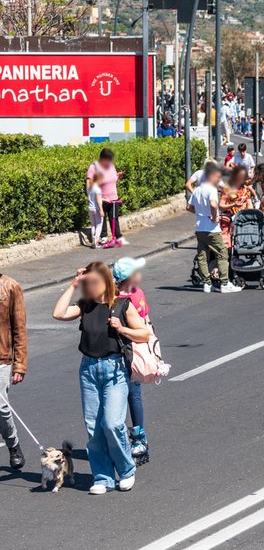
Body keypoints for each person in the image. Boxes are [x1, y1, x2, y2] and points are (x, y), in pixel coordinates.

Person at [52, 261, 150, 494]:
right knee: (94, 428)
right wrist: (73, 284)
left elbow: (144, 334)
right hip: (88, 370)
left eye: (92, 282)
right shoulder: (85, 305)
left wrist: (122, 329)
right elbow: (58, 313)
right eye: (87, 282)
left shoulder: (122, 305)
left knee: (113, 423)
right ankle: (103, 477)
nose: (89, 286)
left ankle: (126, 470)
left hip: (114, 369)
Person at [114, 257, 151, 464]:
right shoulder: (136, 296)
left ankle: (131, 436)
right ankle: (139, 438)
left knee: (128, 393)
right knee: (132, 395)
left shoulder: (111, 295)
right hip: (128, 351)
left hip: (123, 351)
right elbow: (145, 320)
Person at [189, 162, 234, 293]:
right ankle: (225, 283)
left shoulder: (197, 190)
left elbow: (188, 207)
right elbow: (214, 205)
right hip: (211, 228)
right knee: (222, 253)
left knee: (202, 256)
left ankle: (207, 283)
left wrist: (200, 213)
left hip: (199, 227)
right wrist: (214, 217)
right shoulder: (211, 189)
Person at [0, 270, 26, 471]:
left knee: (1, 407)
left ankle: (13, 445)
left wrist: (20, 364)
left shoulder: (10, 286)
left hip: (2, 357)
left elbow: (19, 328)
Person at [87, 147, 126, 248]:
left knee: (114, 218)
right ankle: (103, 237)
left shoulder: (111, 165)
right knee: (102, 218)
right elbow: (88, 180)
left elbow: (112, 178)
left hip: (113, 197)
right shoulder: (94, 167)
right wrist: (89, 194)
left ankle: (117, 237)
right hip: (102, 198)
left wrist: (118, 176)